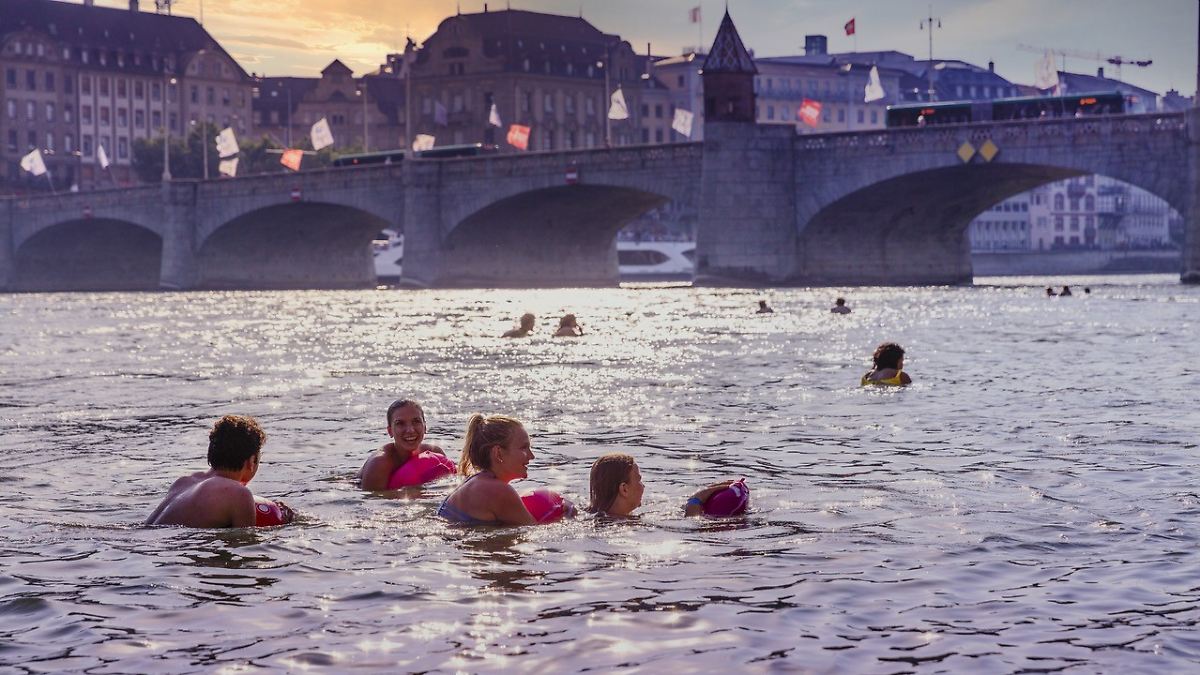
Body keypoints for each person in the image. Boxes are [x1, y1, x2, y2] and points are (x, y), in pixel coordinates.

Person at [146, 415, 294, 528]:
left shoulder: (184, 481)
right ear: (251, 461)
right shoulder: (239, 495)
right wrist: (282, 524)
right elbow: (245, 547)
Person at [438, 414, 549, 526]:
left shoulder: (478, 482)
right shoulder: (498, 491)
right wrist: (561, 513)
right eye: (524, 448)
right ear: (498, 453)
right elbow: (532, 531)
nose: (531, 456)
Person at [587, 453, 734, 518]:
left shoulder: (589, 515)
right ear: (624, 489)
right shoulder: (625, 526)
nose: (643, 486)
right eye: (639, 480)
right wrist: (695, 501)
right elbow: (693, 528)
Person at [358, 399, 446, 491]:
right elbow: (372, 500)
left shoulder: (435, 453)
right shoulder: (380, 464)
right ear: (390, 431)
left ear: (425, 427)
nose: (410, 430)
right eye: (400, 423)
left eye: (416, 421)